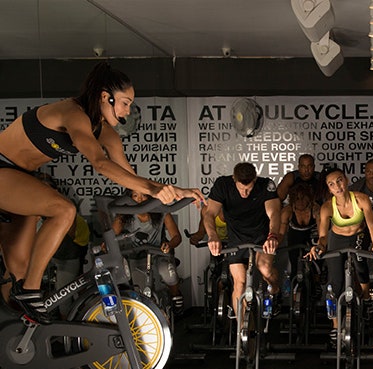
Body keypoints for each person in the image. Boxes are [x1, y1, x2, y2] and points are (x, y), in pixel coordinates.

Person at [0, 61, 204, 323]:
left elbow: (130, 178)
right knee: (64, 210)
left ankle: (14, 334)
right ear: (105, 97)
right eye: (125, 103)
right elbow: (100, 163)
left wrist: (177, 191)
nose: (128, 112)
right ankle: (31, 292)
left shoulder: (107, 133)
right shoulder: (73, 113)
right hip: (4, 167)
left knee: (17, 273)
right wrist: (154, 189)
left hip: (20, 177)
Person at [306, 167, 373, 342]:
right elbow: (323, 236)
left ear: (346, 180)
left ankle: (366, 297)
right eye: (331, 184)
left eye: (339, 180)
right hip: (337, 239)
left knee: (360, 265)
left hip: (359, 236)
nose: (337, 186)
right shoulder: (327, 207)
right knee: (335, 283)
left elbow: (371, 225)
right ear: (329, 189)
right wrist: (318, 247)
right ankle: (335, 326)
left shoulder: (361, 199)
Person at [204, 162, 281, 319]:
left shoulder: (266, 185)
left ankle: (275, 291)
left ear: (255, 179)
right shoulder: (222, 184)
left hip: (262, 237)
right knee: (239, 283)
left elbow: (274, 213)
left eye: (249, 189)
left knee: (265, 269)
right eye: (241, 189)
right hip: (236, 239)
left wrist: (272, 235)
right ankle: (241, 329)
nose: (245, 193)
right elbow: (209, 214)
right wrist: (212, 236)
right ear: (234, 179)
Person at [113, 190, 185, 314]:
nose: (139, 199)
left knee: (168, 273)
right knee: (137, 286)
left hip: (158, 253)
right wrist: (106, 244)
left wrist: (169, 245)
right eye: (135, 196)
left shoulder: (162, 212)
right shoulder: (124, 215)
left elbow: (176, 236)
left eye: (144, 195)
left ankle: (175, 295)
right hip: (135, 256)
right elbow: (111, 236)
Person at [279, 182, 320, 276]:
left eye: (303, 198)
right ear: (292, 200)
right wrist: (275, 243)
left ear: (309, 198)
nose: (300, 202)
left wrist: (319, 245)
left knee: (317, 259)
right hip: (295, 235)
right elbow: (281, 233)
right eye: (297, 199)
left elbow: (322, 232)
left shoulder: (316, 209)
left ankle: (317, 276)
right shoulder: (287, 211)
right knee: (294, 263)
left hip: (312, 234)